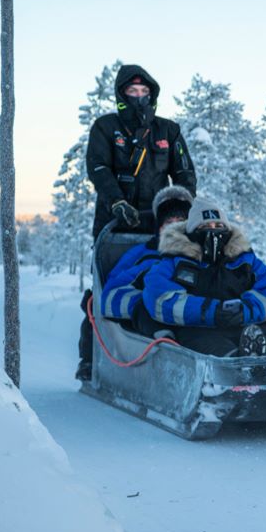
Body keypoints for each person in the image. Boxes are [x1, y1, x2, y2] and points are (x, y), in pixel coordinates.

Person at [76, 64, 197, 380]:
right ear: (122, 94)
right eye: (133, 92)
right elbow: (98, 168)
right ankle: (91, 357)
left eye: (144, 92)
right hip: (114, 223)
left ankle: (166, 340)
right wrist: (117, 202)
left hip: (161, 222)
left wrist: (182, 205)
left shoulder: (168, 131)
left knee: (167, 277)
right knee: (106, 284)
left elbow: (184, 171)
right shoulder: (105, 128)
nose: (139, 97)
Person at [142, 196, 266, 357]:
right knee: (211, 346)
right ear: (192, 231)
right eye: (205, 226)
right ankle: (238, 364)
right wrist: (212, 312)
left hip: (245, 325)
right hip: (197, 329)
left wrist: (246, 309)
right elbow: (159, 298)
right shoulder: (172, 262)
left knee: (263, 335)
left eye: (218, 224)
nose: (213, 230)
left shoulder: (245, 260)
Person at [98, 185, 194, 339]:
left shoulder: (202, 255)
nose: (175, 227)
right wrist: (152, 303)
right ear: (160, 227)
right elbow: (110, 298)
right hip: (155, 330)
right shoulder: (141, 255)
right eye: (169, 222)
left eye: (181, 221)